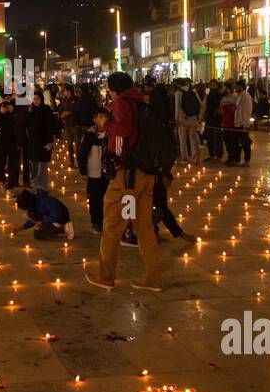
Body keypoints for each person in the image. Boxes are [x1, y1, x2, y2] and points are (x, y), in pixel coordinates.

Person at [87, 71, 162, 293]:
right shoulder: (141, 101)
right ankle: (153, 277)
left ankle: (105, 275)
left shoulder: (121, 103)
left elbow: (124, 131)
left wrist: (106, 123)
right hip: (147, 173)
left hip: (128, 177)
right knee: (143, 227)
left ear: (113, 89)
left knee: (111, 224)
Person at [78, 107, 110, 233]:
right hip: (94, 171)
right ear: (95, 119)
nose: (104, 120)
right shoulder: (90, 135)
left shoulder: (111, 134)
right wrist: (83, 171)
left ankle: (106, 220)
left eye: (105, 117)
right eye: (101, 117)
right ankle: (96, 222)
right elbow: (82, 153)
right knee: (95, 197)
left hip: (108, 172)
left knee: (107, 196)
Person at [26, 89, 62, 191]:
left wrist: (51, 140)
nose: (35, 101)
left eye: (37, 99)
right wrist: (29, 113)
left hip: (44, 141)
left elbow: (51, 126)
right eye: (34, 99)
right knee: (34, 165)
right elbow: (27, 124)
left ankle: (42, 187)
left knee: (42, 166)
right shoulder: (32, 111)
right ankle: (34, 185)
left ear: (41, 99)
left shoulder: (46, 110)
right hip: (34, 143)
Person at [0, 95, 22, 191]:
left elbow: (22, 121)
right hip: (1, 141)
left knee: (13, 165)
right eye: (5, 97)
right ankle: (2, 180)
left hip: (14, 140)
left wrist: (13, 111)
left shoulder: (16, 106)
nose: (7, 100)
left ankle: (10, 186)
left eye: (9, 97)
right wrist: (0, 113)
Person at [176, 81, 202, 164]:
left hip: (182, 118)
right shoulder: (193, 91)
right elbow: (200, 104)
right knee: (193, 137)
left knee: (182, 138)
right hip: (193, 117)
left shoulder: (178, 93)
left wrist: (176, 118)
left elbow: (177, 106)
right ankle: (196, 157)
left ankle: (184, 158)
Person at [230, 80, 253, 166]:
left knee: (245, 143)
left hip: (243, 124)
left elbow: (247, 112)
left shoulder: (246, 97)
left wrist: (245, 125)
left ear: (241, 87)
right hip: (237, 123)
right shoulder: (239, 96)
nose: (235, 88)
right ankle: (237, 159)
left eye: (237, 86)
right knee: (237, 143)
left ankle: (247, 160)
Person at [203, 81, 225, 161]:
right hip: (209, 119)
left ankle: (219, 154)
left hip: (216, 120)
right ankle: (211, 154)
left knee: (217, 137)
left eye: (214, 85)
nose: (212, 86)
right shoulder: (208, 96)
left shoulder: (219, 95)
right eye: (211, 85)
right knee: (209, 138)